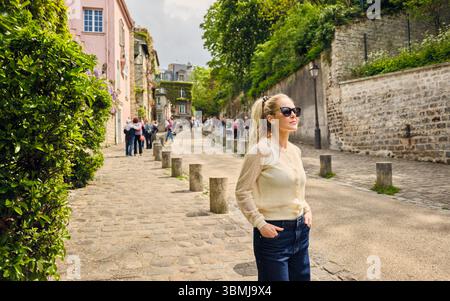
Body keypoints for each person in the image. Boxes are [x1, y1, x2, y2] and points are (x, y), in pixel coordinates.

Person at [235, 94, 312, 281]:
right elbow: (242, 191)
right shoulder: (260, 151)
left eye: (296, 111)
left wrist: (307, 209)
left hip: (301, 232)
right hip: (273, 236)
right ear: (270, 118)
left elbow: (296, 187)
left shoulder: (295, 151)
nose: (293, 115)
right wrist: (260, 223)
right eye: (286, 111)